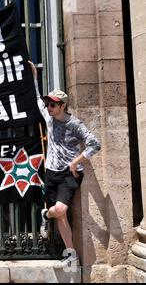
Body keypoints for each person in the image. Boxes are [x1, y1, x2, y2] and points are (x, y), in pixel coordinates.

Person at [29, 61, 101, 269]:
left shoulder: (74, 124)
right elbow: (36, 101)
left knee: (59, 210)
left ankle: (45, 214)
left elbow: (95, 143)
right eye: (48, 104)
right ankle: (71, 254)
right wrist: (34, 77)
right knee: (61, 216)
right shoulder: (49, 119)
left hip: (70, 175)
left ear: (63, 105)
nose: (49, 107)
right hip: (51, 173)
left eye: (53, 104)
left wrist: (76, 162)